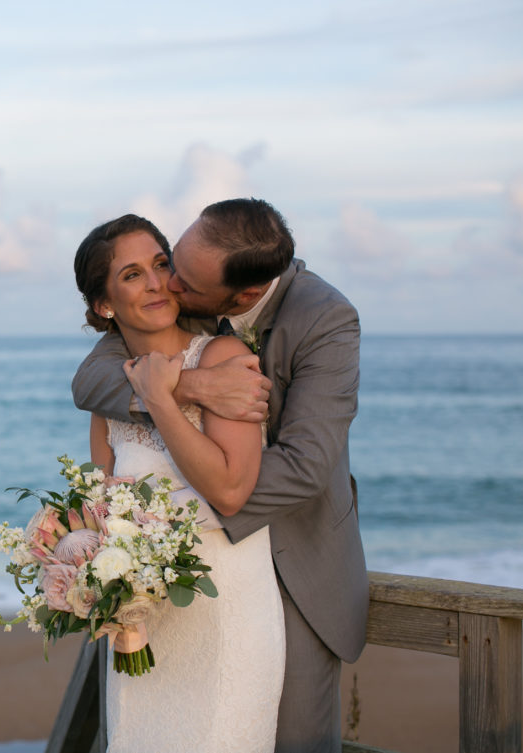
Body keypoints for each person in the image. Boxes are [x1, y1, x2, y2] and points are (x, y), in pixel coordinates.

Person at [72, 198, 368, 753]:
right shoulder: (180, 302)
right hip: (169, 590)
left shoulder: (326, 320)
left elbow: (304, 467)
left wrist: (159, 530)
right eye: (167, 262)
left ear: (244, 297)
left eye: (175, 272)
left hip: (294, 563)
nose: (168, 285)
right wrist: (189, 388)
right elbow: (91, 380)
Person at [73, 213, 286, 752]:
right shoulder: (110, 391)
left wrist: (163, 397)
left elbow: (231, 490)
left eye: (161, 265)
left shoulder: (225, 359)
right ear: (104, 305)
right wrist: (82, 570)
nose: (154, 283)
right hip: (146, 622)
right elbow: (103, 508)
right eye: (131, 275)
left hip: (226, 612)